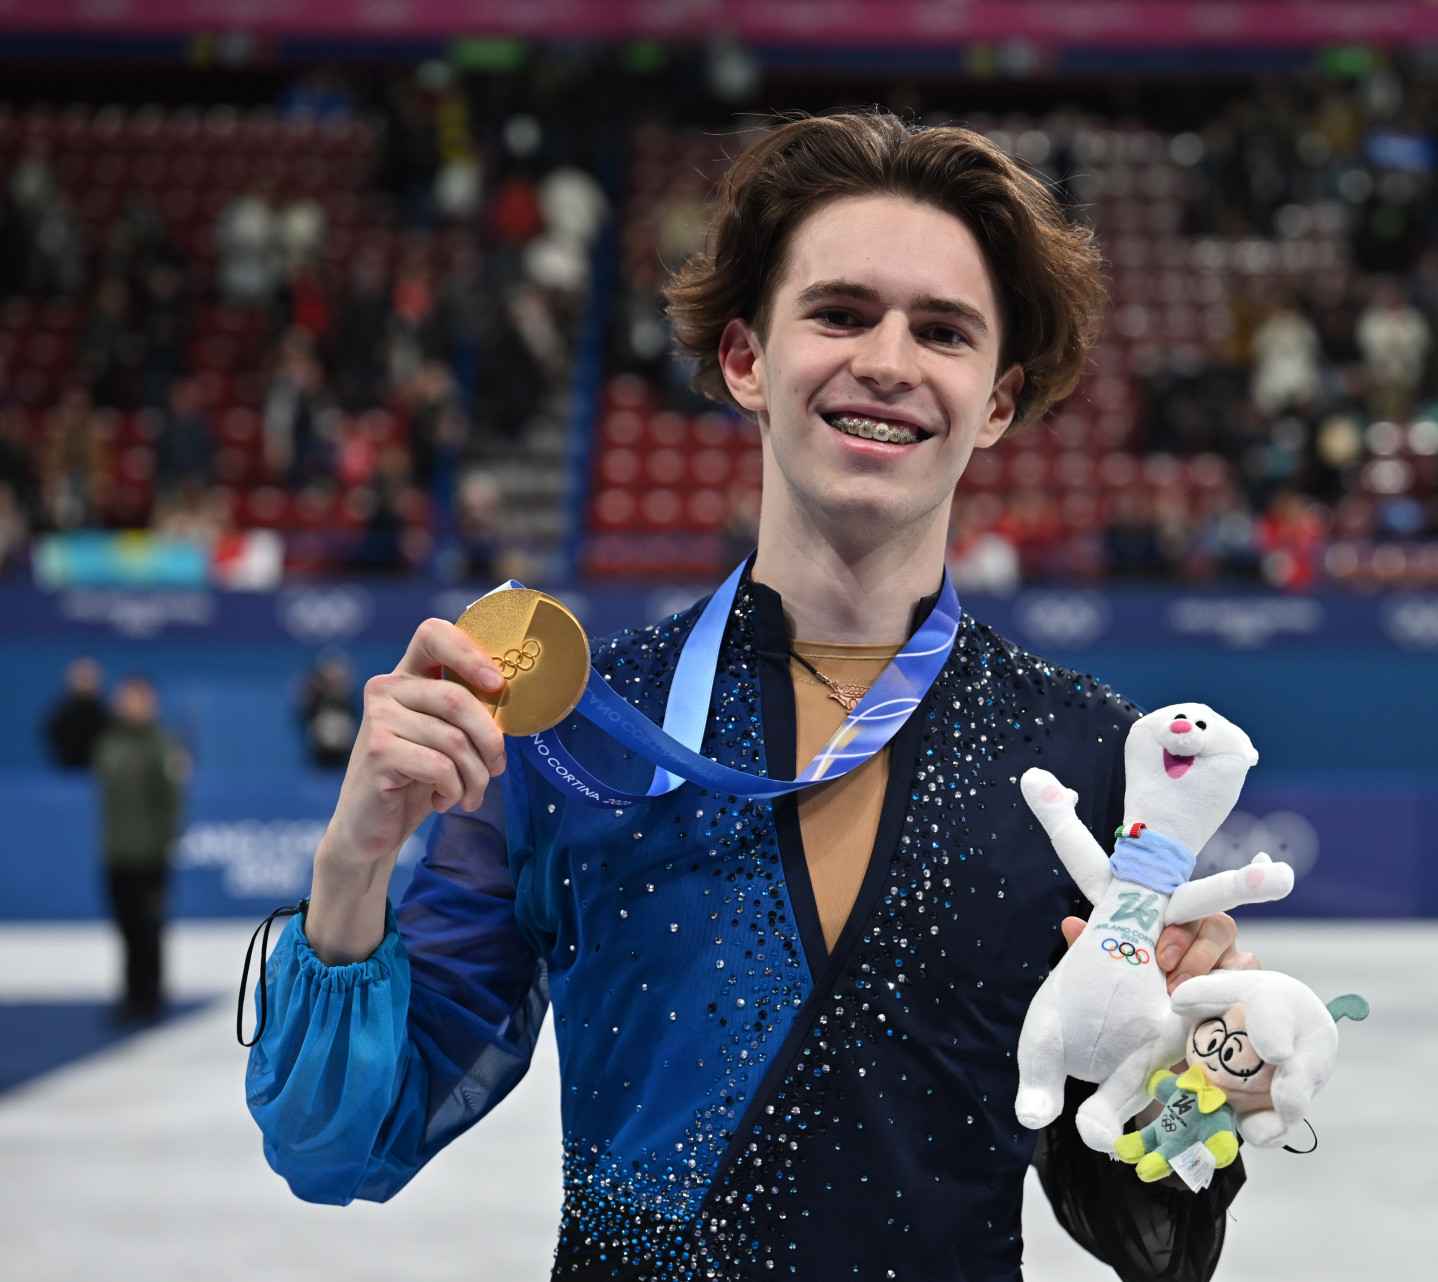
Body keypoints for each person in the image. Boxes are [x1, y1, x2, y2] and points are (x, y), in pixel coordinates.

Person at [246, 112, 1273, 1282]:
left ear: (996, 400)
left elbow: (1145, 1221)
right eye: (840, 314)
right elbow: (335, 1147)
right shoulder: (580, 726)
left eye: (942, 331)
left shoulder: (1086, 754)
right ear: (746, 360)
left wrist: (1204, 1074)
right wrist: (354, 864)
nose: (888, 360)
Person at [93, 674, 188, 1023]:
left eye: (137, 698)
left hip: (148, 856)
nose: (129, 705)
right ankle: (131, 993)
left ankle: (150, 997)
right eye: (124, 698)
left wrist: (163, 846)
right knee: (126, 928)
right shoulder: (108, 744)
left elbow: (171, 803)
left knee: (148, 929)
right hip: (115, 853)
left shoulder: (162, 746)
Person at [44, 655, 110, 770]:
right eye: (82, 676)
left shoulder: (108, 718)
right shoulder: (60, 718)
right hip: (67, 774)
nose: (85, 680)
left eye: (89, 676)